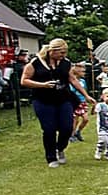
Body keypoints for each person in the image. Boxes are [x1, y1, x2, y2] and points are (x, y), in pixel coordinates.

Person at [20, 38, 96, 167]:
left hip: (63, 99)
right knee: (49, 129)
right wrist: (43, 85)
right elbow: (24, 80)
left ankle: (60, 148)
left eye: (65, 53)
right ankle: (51, 157)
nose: (64, 55)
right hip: (43, 100)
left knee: (67, 127)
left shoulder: (65, 63)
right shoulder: (35, 63)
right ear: (52, 51)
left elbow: (73, 80)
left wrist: (86, 95)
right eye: (61, 53)